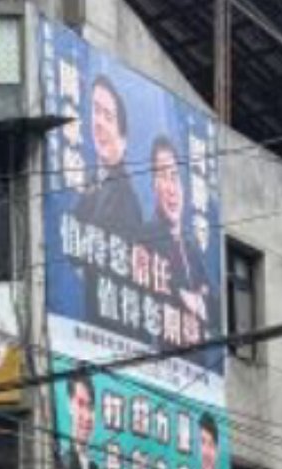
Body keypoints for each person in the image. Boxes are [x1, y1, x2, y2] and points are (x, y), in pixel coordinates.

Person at [141, 135, 211, 326]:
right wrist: (182, 295)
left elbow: (211, 299)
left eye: (174, 177)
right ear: (153, 186)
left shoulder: (190, 247)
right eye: (163, 177)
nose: (172, 189)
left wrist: (200, 298)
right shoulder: (145, 238)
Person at [74, 75, 144, 241]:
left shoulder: (127, 200)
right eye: (96, 110)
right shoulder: (89, 180)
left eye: (108, 117)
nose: (99, 123)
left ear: (123, 139)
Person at [58, 374, 105, 469]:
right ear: (69, 405)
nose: (87, 417)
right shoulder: (62, 463)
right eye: (80, 404)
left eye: (91, 407)